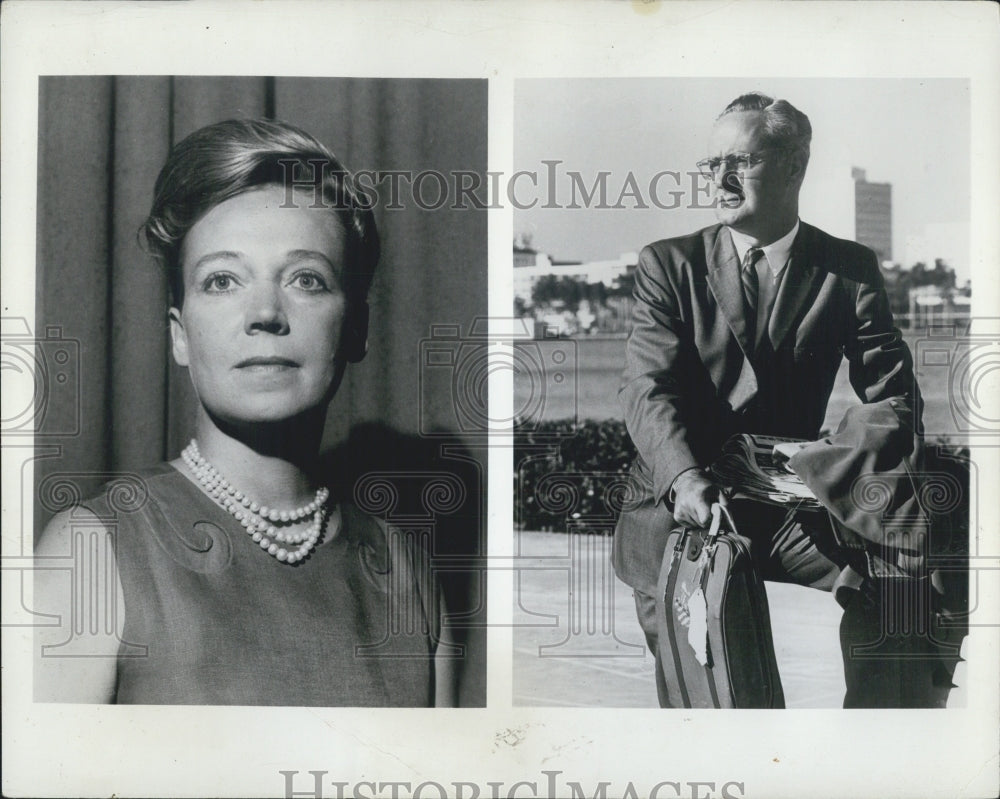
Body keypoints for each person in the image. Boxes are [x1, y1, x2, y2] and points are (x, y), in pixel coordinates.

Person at [34, 118, 456, 706]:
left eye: (307, 279)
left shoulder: (407, 574)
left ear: (354, 327)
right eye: (223, 280)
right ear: (180, 336)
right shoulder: (92, 552)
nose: (265, 313)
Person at [613, 92, 945, 708]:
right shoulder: (669, 264)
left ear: (794, 166)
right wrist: (683, 478)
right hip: (684, 505)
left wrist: (827, 464)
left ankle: (885, 752)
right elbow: (645, 387)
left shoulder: (848, 269)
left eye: (740, 161)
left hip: (793, 508)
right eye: (712, 165)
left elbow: (895, 399)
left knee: (908, 579)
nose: (722, 179)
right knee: (712, 671)